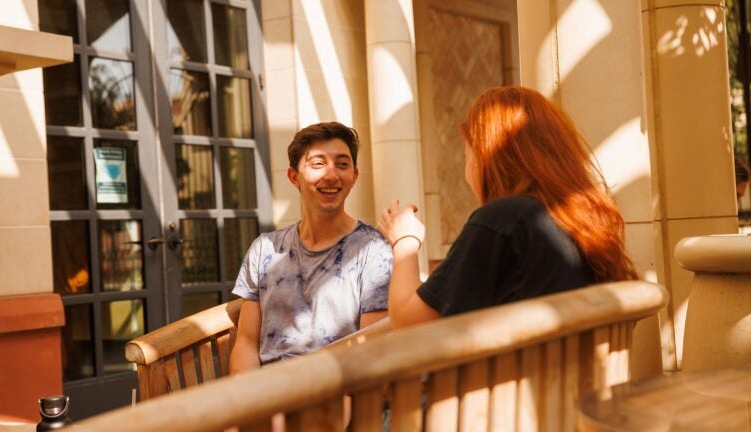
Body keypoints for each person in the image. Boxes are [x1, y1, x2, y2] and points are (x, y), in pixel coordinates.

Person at [378, 86, 638, 328]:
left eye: (468, 154)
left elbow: (408, 321)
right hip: (581, 376)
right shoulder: (586, 218)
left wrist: (405, 240)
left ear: (487, 157)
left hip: (521, 378)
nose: (466, 167)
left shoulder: (502, 220)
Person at [229, 122, 393, 373]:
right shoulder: (265, 249)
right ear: (294, 177)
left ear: (355, 177)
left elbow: (370, 350)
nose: (331, 175)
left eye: (342, 164)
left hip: (337, 393)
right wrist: (251, 401)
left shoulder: (373, 251)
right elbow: (246, 343)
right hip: (268, 395)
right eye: (318, 164)